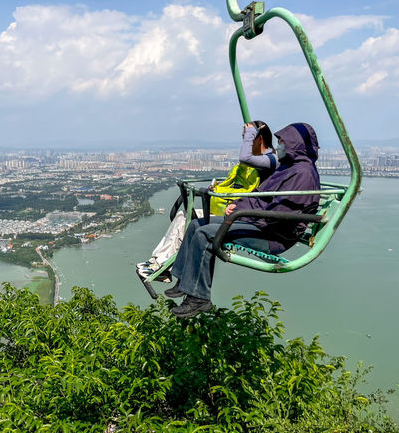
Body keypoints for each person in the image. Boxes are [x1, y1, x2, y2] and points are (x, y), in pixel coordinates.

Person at [164, 123, 321, 319]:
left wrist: (242, 213)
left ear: (294, 145)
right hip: (260, 222)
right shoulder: (288, 168)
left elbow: (280, 213)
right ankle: (184, 281)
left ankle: (199, 298)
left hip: (273, 234)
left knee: (205, 235)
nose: (279, 146)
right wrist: (237, 205)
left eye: (282, 142)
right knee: (197, 224)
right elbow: (258, 195)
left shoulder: (303, 174)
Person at [137, 120, 277, 279]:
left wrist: (251, 131)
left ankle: (163, 265)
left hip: (239, 215)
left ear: (259, 138)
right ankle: (159, 261)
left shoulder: (271, 160)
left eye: (247, 139)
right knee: (183, 217)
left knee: (191, 223)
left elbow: (244, 158)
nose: (245, 142)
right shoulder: (256, 164)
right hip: (230, 209)